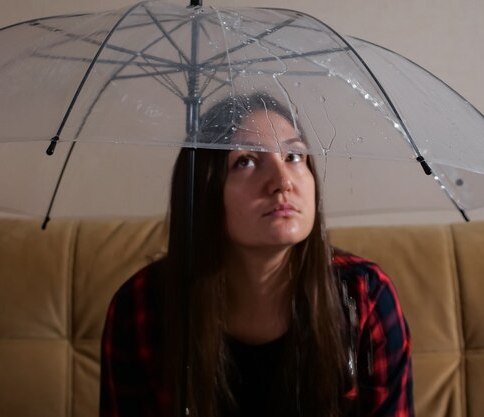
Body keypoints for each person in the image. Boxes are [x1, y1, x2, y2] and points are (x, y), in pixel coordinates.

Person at [100, 93, 414, 417]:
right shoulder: (140, 306)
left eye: (294, 155)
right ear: (204, 188)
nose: (282, 182)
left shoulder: (364, 296)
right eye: (246, 161)